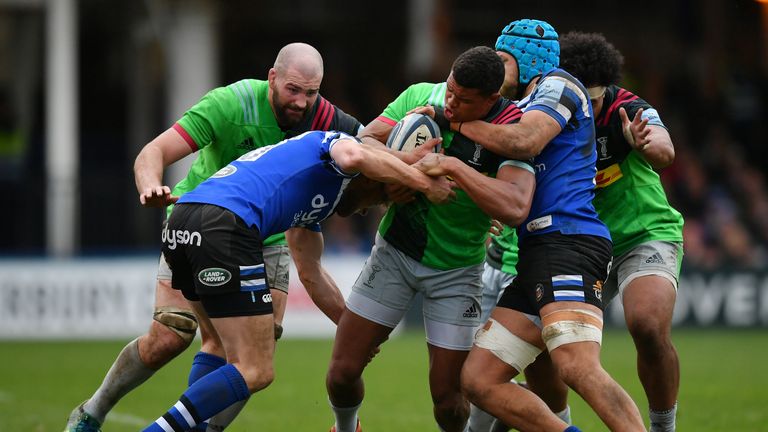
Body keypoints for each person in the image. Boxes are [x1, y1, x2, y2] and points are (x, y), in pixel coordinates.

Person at [65, 42, 362, 432]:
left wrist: (419, 138)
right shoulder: (231, 103)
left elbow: (374, 142)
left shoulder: (324, 117)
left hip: (267, 239)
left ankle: (197, 428)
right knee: (171, 335)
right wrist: (150, 185)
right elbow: (153, 152)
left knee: (252, 350)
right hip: (202, 223)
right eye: (293, 90)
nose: (302, 102)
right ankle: (93, 410)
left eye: (311, 92)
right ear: (272, 78)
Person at [140, 130, 454, 432]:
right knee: (255, 368)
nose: (364, 211)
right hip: (226, 224)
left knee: (219, 347)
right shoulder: (338, 146)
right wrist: (421, 183)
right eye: (377, 198)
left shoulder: (313, 197)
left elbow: (311, 273)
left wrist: (352, 331)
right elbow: (357, 153)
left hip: (183, 219)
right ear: (373, 176)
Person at [325, 46, 537, 432]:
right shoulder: (424, 95)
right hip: (395, 253)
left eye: (464, 100)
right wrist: (405, 174)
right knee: (341, 372)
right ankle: (346, 427)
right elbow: (361, 143)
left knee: (448, 400)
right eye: (450, 91)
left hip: (457, 271)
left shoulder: (512, 128)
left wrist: (453, 167)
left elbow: (515, 204)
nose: (450, 103)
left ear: (491, 100)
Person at [451, 19, 646, 431]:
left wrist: (459, 126)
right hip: (537, 252)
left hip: (569, 242)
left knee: (576, 367)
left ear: (527, 62)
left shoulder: (559, 84)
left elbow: (526, 143)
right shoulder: (516, 108)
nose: (495, 70)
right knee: (478, 380)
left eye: (503, 60)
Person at [520, 31, 683, 432]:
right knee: (539, 348)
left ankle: (663, 428)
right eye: (582, 98)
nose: (590, 108)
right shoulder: (543, 119)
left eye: (596, 99)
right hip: (579, 244)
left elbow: (664, 150)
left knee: (646, 324)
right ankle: (560, 424)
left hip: (643, 234)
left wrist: (644, 143)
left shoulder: (627, 108)